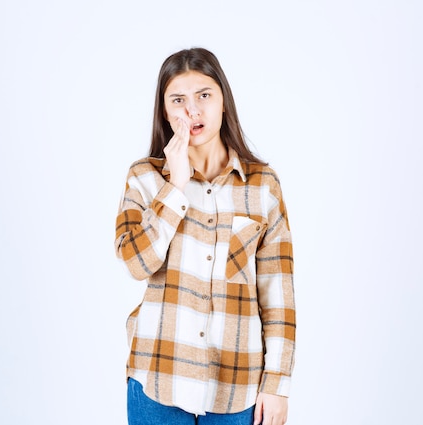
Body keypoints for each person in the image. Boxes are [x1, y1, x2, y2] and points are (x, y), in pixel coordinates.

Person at [114, 47, 296, 425]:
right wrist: (175, 187)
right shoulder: (145, 178)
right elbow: (136, 263)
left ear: (223, 103)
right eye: (178, 100)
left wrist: (277, 385)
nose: (192, 110)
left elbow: (278, 293)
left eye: (204, 96)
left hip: (237, 388)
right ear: (165, 111)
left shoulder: (263, 186)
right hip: (158, 380)